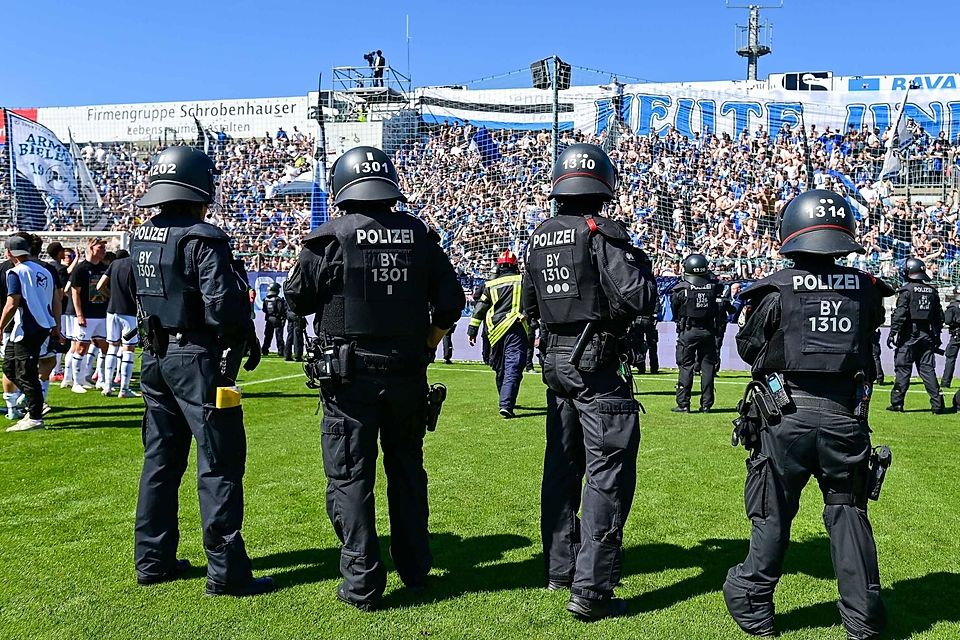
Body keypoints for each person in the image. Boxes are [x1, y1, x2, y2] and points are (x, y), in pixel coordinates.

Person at [283, 145, 465, 612]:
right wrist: (428, 342)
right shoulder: (420, 238)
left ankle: (362, 583)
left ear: (342, 188)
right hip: (406, 375)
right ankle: (416, 567)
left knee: (350, 478)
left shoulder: (327, 239)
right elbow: (450, 303)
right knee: (406, 471)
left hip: (348, 379)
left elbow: (297, 300)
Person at [723, 189, 893, 640]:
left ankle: (754, 604)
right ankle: (863, 619)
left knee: (773, 512)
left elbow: (748, 347)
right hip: (845, 418)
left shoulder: (775, 289)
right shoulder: (867, 289)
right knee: (848, 512)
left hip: (785, 416)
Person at [521, 143, 656, 621]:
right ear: (602, 188)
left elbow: (530, 308)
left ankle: (560, 566)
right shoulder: (601, 235)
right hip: (597, 364)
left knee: (561, 466)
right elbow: (639, 297)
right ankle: (592, 588)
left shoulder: (537, 238)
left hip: (557, 360)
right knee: (607, 473)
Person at [131, 146, 274, 597]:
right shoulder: (202, 237)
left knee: (160, 461)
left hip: (154, 358)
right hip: (196, 358)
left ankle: (152, 559)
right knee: (219, 462)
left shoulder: (141, 238)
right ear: (201, 188)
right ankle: (227, 573)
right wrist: (239, 339)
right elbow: (224, 308)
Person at [1, 235, 59, 432]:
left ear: (9, 252)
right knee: (10, 366)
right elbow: (54, 299)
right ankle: (34, 401)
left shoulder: (15, 272)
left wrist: (0, 327)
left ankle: (35, 415)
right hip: (38, 325)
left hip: (29, 327)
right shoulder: (44, 271)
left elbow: (12, 303)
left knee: (25, 372)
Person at [468, 250, 527, 419]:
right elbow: (534, 301)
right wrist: (528, 316)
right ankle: (506, 403)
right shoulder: (522, 280)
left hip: (493, 331)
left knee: (500, 367)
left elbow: (480, 309)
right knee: (513, 366)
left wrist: (472, 330)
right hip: (516, 327)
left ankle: (504, 398)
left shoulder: (489, 285)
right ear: (515, 266)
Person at [886, 258, 945, 413]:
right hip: (927, 335)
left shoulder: (906, 291)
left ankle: (897, 403)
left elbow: (900, 314)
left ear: (909, 273)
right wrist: (937, 336)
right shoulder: (932, 291)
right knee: (927, 369)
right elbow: (939, 317)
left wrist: (893, 332)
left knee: (903, 369)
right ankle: (938, 405)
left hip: (908, 336)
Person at [671, 254, 723, 413]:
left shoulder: (681, 289)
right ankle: (706, 404)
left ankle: (684, 404)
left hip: (688, 330)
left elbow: (675, 309)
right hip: (708, 330)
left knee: (686, 366)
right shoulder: (714, 287)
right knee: (708, 367)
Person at [67, 238, 110, 394]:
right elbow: (74, 293)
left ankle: (102, 379)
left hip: (103, 314)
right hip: (87, 314)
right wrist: (79, 315)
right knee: (81, 347)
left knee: (105, 347)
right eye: (101, 247)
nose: (104, 250)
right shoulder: (81, 269)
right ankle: (76, 382)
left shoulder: (105, 268)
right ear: (92, 248)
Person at [96, 249, 140, 397]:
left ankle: (107, 386)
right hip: (129, 312)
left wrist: (111, 296)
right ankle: (124, 389)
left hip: (111, 311)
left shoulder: (114, 264)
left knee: (112, 347)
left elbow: (99, 286)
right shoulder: (137, 264)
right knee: (128, 349)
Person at [940, 286, 960, 387]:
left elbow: (947, 321)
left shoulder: (952, 307)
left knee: (950, 359)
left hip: (956, 335)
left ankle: (946, 382)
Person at [260, 283, 286, 356]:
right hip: (277, 319)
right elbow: (281, 310)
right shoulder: (278, 299)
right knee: (279, 336)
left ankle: (264, 350)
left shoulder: (265, 299)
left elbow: (264, 309)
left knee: (268, 336)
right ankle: (281, 351)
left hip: (268, 319)